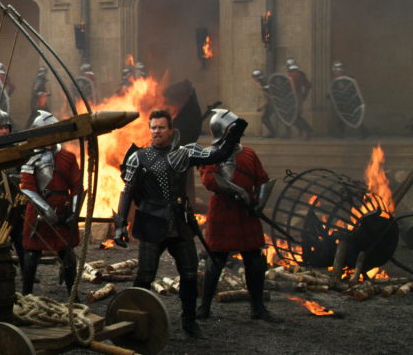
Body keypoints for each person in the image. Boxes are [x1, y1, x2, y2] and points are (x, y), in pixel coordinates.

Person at [113, 109, 248, 338]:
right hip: (151, 222)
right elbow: (128, 191)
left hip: (180, 222)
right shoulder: (138, 157)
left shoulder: (185, 153)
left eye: (161, 127)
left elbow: (218, 155)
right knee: (145, 276)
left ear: (170, 130)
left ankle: (190, 322)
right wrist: (120, 225)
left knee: (189, 274)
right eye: (153, 128)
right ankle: (135, 321)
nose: (157, 131)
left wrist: (236, 131)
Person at [196, 109, 276, 321]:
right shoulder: (210, 155)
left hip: (246, 214)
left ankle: (258, 308)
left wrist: (258, 204)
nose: (237, 135)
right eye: (233, 131)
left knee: (255, 262)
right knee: (215, 261)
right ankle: (204, 307)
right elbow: (210, 180)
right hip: (223, 211)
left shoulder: (248, 153)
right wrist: (240, 192)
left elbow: (262, 179)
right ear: (223, 132)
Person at [19, 111, 82, 295]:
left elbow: (77, 186)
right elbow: (27, 188)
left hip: (63, 212)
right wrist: (46, 210)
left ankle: (73, 296)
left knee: (68, 256)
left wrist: (74, 212)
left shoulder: (68, 157)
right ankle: (27, 295)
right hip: (37, 214)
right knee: (31, 256)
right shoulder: (30, 158)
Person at [327, 61, 370, 139]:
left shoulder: (349, 79)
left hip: (351, 104)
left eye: (336, 70)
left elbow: (353, 89)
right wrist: (330, 95)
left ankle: (364, 132)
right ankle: (340, 134)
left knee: (353, 118)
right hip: (343, 104)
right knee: (342, 118)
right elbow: (337, 91)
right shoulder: (337, 80)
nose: (335, 72)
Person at [285, 58, 314, 139]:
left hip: (293, 98)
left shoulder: (291, 75)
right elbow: (308, 86)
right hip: (298, 97)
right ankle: (302, 130)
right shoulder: (301, 74)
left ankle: (308, 130)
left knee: (293, 116)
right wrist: (304, 96)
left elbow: (292, 88)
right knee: (294, 116)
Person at [250, 70, 280, 138]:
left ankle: (273, 133)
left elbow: (270, 97)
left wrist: (262, 107)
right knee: (265, 118)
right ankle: (273, 133)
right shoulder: (263, 83)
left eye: (254, 77)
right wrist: (262, 107)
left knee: (265, 118)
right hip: (272, 103)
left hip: (274, 103)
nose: (254, 79)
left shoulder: (263, 84)